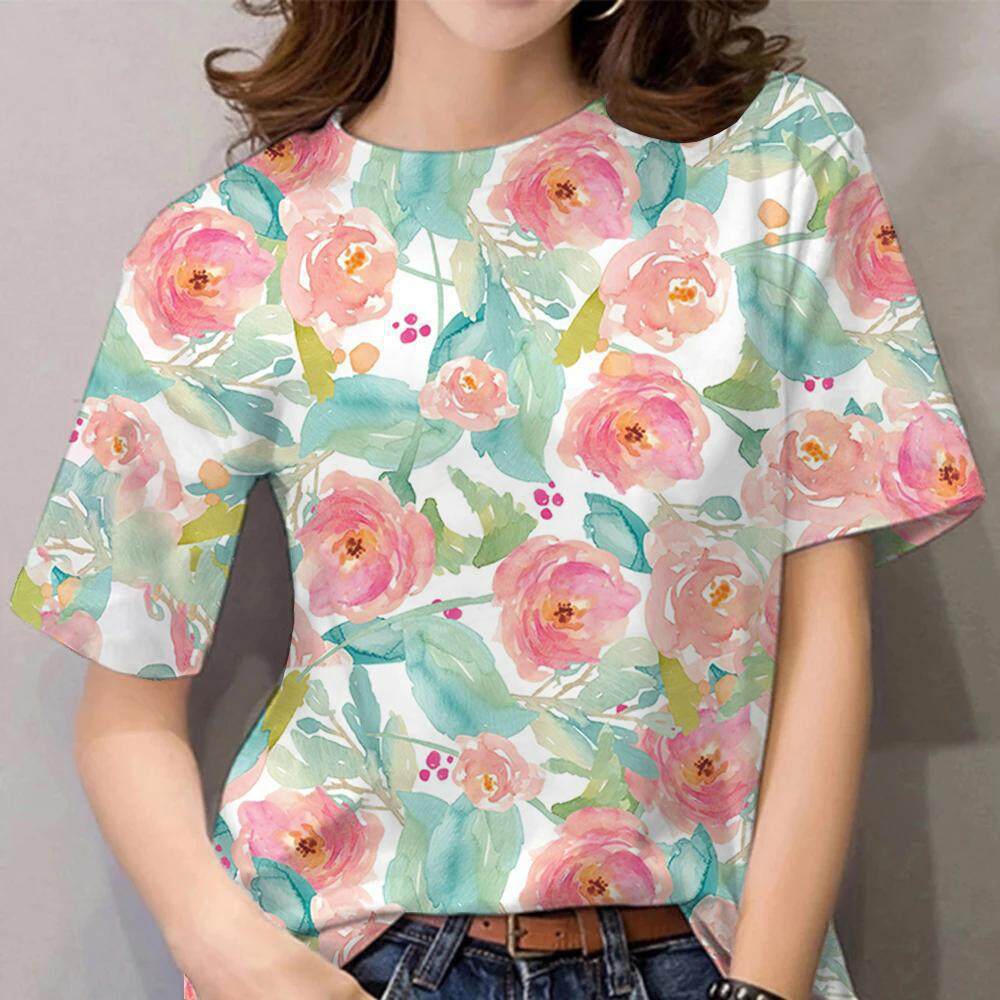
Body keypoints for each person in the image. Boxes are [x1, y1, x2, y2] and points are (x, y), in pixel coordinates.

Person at [8, 1, 988, 999]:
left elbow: (828, 626)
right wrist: (230, 950)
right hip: (354, 955)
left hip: (704, 955)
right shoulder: (225, 246)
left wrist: (765, 986)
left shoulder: (777, 164)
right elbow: (124, 708)